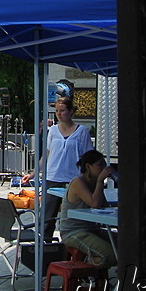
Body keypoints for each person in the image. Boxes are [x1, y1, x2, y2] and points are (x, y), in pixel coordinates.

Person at [21, 96, 93, 239]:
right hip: (52, 178)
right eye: (57, 111)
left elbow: (88, 157)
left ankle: (73, 246)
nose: (59, 114)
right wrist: (34, 173)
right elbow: (47, 155)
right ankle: (44, 248)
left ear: (71, 111)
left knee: (73, 218)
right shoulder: (53, 131)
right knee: (47, 217)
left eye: (63, 111)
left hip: (74, 180)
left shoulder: (82, 131)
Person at [59, 149, 116, 268]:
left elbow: (102, 206)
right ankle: (84, 268)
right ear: (88, 167)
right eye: (100, 165)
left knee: (125, 244)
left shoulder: (94, 183)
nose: (103, 168)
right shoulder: (78, 182)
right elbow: (94, 203)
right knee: (110, 255)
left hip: (91, 229)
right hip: (74, 232)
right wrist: (100, 181)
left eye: (104, 164)